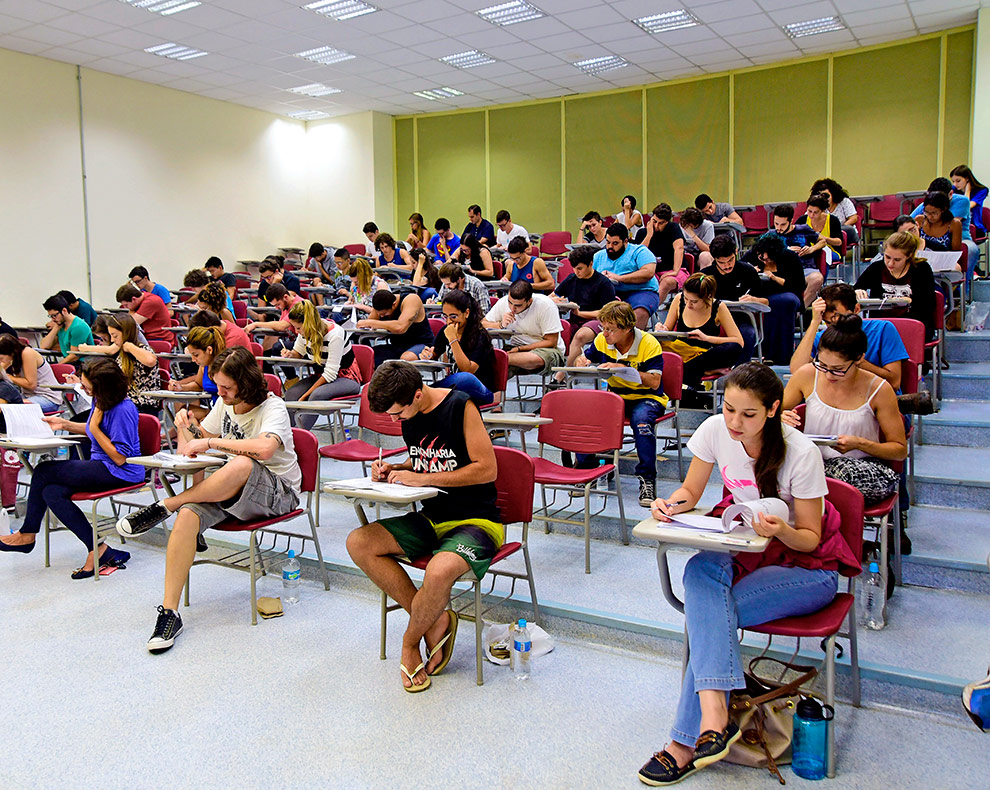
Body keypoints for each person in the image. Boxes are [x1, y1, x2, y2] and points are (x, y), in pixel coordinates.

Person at [638, 363, 859, 786]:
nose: (734, 422)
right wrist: (672, 504)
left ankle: (686, 742)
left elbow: (811, 539)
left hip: (806, 566)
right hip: (746, 547)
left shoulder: (801, 452)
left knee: (710, 614)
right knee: (700, 569)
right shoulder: (714, 430)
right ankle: (715, 717)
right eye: (728, 409)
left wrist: (783, 530)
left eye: (748, 414)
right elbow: (691, 490)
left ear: (774, 409)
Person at [116, 346, 301, 654]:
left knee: (241, 463)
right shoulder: (224, 403)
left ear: (246, 383)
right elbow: (194, 447)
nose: (220, 392)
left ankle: (166, 505)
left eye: (226, 387)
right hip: (233, 488)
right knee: (189, 515)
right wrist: (184, 428)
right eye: (218, 385)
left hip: (278, 492)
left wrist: (212, 440)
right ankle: (169, 613)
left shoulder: (273, 406)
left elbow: (265, 451)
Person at [345, 360, 500, 691]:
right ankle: (435, 618)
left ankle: (410, 641)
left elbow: (486, 469)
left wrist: (423, 477)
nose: (395, 421)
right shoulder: (409, 414)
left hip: (477, 519)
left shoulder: (460, 406)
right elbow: (429, 458)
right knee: (359, 542)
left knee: (439, 572)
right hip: (433, 517)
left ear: (417, 395)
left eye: (398, 414)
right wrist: (396, 468)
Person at [0, 358, 141, 579]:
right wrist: (64, 424)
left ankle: (27, 535)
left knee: (44, 470)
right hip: (102, 465)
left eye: (87, 386)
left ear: (103, 386)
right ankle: (99, 549)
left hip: (121, 471)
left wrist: (93, 426)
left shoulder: (123, 409)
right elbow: (96, 431)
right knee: (51, 492)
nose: (83, 389)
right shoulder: (102, 400)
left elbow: (120, 457)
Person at [782, 315, 907, 506]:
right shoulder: (807, 375)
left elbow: (899, 451)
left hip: (862, 467)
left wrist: (860, 444)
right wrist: (781, 417)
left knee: (827, 479)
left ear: (859, 359)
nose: (828, 374)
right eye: (822, 365)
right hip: (812, 462)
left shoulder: (879, 389)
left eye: (838, 369)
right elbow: (770, 412)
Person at [575, 301, 667, 505]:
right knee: (586, 417)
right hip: (615, 397)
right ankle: (585, 471)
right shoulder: (601, 340)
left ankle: (647, 479)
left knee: (642, 421)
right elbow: (584, 360)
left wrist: (621, 367)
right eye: (603, 328)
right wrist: (580, 361)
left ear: (627, 329)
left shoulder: (649, 343)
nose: (604, 334)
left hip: (647, 397)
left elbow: (655, 381)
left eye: (610, 329)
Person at [791, 283, 909, 392]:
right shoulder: (821, 337)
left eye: (840, 318)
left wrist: (855, 362)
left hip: (875, 397)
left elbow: (894, 382)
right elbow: (797, 370)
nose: (836, 327)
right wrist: (814, 322)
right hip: (835, 399)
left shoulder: (883, 330)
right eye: (828, 323)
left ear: (856, 310)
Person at [656, 273, 743, 394]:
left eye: (694, 301)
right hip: (679, 350)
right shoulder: (678, 299)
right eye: (686, 299)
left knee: (734, 348)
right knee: (654, 343)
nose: (688, 304)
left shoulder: (718, 307)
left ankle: (687, 373)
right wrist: (662, 328)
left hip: (704, 354)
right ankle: (704, 371)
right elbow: (668, 330)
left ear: (707, 297)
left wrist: (707, 338)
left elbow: (738, 341)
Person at [282, 301, 361, 429]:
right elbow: (299, 353)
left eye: (298, 328)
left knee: (316, 395)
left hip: (346, 378)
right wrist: (290, 354)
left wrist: (305, 395)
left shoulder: (335, 334)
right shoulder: (305, 333)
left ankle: (299, 437)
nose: (297, 332)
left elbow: (330, 374)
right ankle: (286, 434)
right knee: (291, 394)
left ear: (308, 324)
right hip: (321, 375)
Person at [854, 231, 937, 341]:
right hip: (881, 325)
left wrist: (910, 301)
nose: (890, 263)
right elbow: (855, 288)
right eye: (887, 257)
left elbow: (929, 303)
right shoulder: (876, 268)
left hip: (913, 323)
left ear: (909, 256)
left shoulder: (922, 269)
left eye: (897, 260)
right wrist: (857, 291)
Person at [420, 290, 497, 406]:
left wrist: (453, 340)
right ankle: (428, 392)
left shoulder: (480, 335)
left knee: (464, 378)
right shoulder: (445, 330)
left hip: (481, 390)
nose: (448, 321)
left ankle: (428, 391)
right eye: (445, 316)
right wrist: (427, 355)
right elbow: (434, 355)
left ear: (466, 313)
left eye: (453, 316)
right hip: (456, 389)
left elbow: (468, 370)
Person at [75, 313, 161, 416]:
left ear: (125, 333)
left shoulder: (141, 350)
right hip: (121, 404)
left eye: (114, 336)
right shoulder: (121, 353)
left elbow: (151, 360)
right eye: (111, 335)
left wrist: (129, 346)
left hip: (141, 405)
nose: (112, 340)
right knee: (79, 419)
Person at [552, 245, 617, 374]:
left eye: (580, 268)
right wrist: (555, 300)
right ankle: (558, 368)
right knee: (554, 331)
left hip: (599, 321)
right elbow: (554, 295)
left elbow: (607, 312)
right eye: (574, 268)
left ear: (590, 264)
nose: (577, 272)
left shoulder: (603, 283)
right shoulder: (571, 279)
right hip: (575, 320)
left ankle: (562, 375)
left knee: (580, 336)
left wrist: (580, 313)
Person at [483, 281, 565, 378]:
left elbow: (551, 342)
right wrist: (500, 324)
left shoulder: (546, 305)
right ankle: (498, 361)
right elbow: (483, 323)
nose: (512, 308)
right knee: (493, 374)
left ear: (529, 301)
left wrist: (520, 349)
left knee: (534, 359)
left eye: (518, 305)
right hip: (514, 347)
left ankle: (498, 358)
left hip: (547, 350)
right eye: (510, 303)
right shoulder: (503, 301)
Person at [699, 235, 761, 362]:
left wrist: (754, 299)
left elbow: (765, 301)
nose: (727, 266)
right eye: (721, 262)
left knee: (748, 334)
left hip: (740, 319)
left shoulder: (748, 271)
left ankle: (741, 372)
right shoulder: (705, 276)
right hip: (711, 320)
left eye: (731, 260)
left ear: (736, 252)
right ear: (714, 259)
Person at [746, 233, 806, 363]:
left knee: (786, 302)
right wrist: (750, 272)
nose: (765, 261)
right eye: (763, 259)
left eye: (769, 259)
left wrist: (774, 278)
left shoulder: (790, 258)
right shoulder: (753, 256)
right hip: (760, 295)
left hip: (788, 294)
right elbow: (740, 273)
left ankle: (782, 355)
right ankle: (763, 351)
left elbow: (798, 286)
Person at [910, 177, 979, 281]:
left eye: (934, 212)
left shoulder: (961, 202)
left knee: (971, 250)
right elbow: (909, 222)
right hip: (927, 248)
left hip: (961, 239)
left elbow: (944, 222)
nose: (930, 216)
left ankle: (963, 287)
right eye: (927, 212)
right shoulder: (926, 210)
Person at [593, 223, 660, 330]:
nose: (610, 246)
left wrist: (619, 278)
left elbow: (648, 272)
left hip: (642, 292)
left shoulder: (640, 251)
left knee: (639, 312)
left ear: (625, 241)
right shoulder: (598, 256)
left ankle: (633, 343)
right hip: (611, 294)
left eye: (615, 243)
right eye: (608, 242)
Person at [360, 289, 435, 366]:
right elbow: (366, 324)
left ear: (394, 304)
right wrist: (369, 322)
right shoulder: (381, 304)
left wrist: (371, 323)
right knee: (367, 355)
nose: (382, 316)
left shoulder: (411, 299)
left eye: (385, 314)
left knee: (406, 358)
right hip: (397, 346)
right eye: (379, 314)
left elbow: (400, 327)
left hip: (422, 344)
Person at [770, 204, 825, 305]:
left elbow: (823, 241)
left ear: (791, 221)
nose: (778, 228)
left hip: (805, 269)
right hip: (782, 271)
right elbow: (759, 252)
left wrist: (812, 249)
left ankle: (799, 309)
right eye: (776, 224)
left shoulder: (804, 229)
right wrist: (785, 250)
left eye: (783, 225)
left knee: (817, 279)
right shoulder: (771, 235)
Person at [168, 325, 225, 420]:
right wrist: (181, 387)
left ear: (209, 350)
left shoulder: (225, 366)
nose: (193, 359)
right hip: (214, 410)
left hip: (227, 413)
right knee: (185, 414)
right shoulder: (204, 366)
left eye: (196, 355)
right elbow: (198, 385)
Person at [636, 203, 686, 307]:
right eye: (654, 221)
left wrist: (675, 270)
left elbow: (679, 248)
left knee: (666, 282)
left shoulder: (673, 228)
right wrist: (649, 235)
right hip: (651, 272)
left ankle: (649, 309)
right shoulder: (642, 233)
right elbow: (638, 254)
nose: (656, 226)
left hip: (673, 270)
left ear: (667, 222)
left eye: (661, 223)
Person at [0, 333, 62, 413]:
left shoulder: (27, 353)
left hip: (47, 397)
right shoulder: (14, 357)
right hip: (28, 395)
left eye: (1, 358)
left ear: (11, 353)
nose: (0, 361)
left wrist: (7, 376)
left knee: (12, 409)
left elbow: (31, 385)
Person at [244, 282, 303, 353]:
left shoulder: (298, 305)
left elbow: (282, 326)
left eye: (278, 304)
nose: (277, 308)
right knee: (269, 342)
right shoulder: (285, 306)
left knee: (277, 347)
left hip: (304, 342)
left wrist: (256, 324)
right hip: (294, 340)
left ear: (286, 297)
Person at [40, 294, 93, 365]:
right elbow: (44, 346)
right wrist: (56, 328)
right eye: (50, 316)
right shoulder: (60, 324)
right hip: (70, 362)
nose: (52, 319)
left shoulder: (78, 326)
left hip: (83, 364)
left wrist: (56, 366)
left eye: (54, 315)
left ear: (64, 311)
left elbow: (74, 356)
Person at [810, 178, 860, 245]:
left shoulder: (844, 201)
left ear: (833, 194)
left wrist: (838, 229)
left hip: (843, 231)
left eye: (827, 196)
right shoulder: (817, 206)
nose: (824, 199)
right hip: (825, 234)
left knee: (849, 229)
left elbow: (854, 218)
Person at [797, 193, 843, 264]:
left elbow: (839, 242)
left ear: (823, 211)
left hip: (830, 251)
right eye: (809, 211)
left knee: (821, 255)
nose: (812, 215)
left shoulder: (832, 220)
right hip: (807, 250)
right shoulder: (802, 220)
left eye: (816, 212)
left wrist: (821, 238)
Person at [950, 164, 988, 235]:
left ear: (967, 179)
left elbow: (966, 206)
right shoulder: (953, 190)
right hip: (957, 223)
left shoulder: (981, 190)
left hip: (974, 226)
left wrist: (967, 191)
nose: (955, 184)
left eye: (958, 181)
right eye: (953, 181)